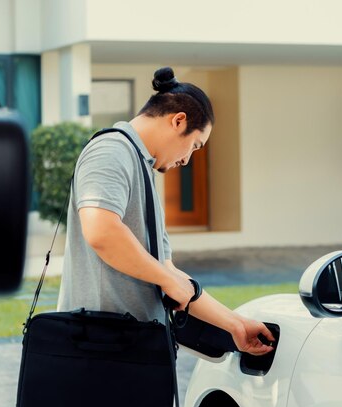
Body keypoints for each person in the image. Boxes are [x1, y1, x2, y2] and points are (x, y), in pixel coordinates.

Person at [57, 67, 275, 356]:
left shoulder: (142, 168)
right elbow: (101, 231)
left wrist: (236, 324)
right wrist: (167, 279)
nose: (187, 159)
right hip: (100, 351)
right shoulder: (111, 151)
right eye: (195, 146)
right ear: (178, 120)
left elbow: (170, 274)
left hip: (130, 348)